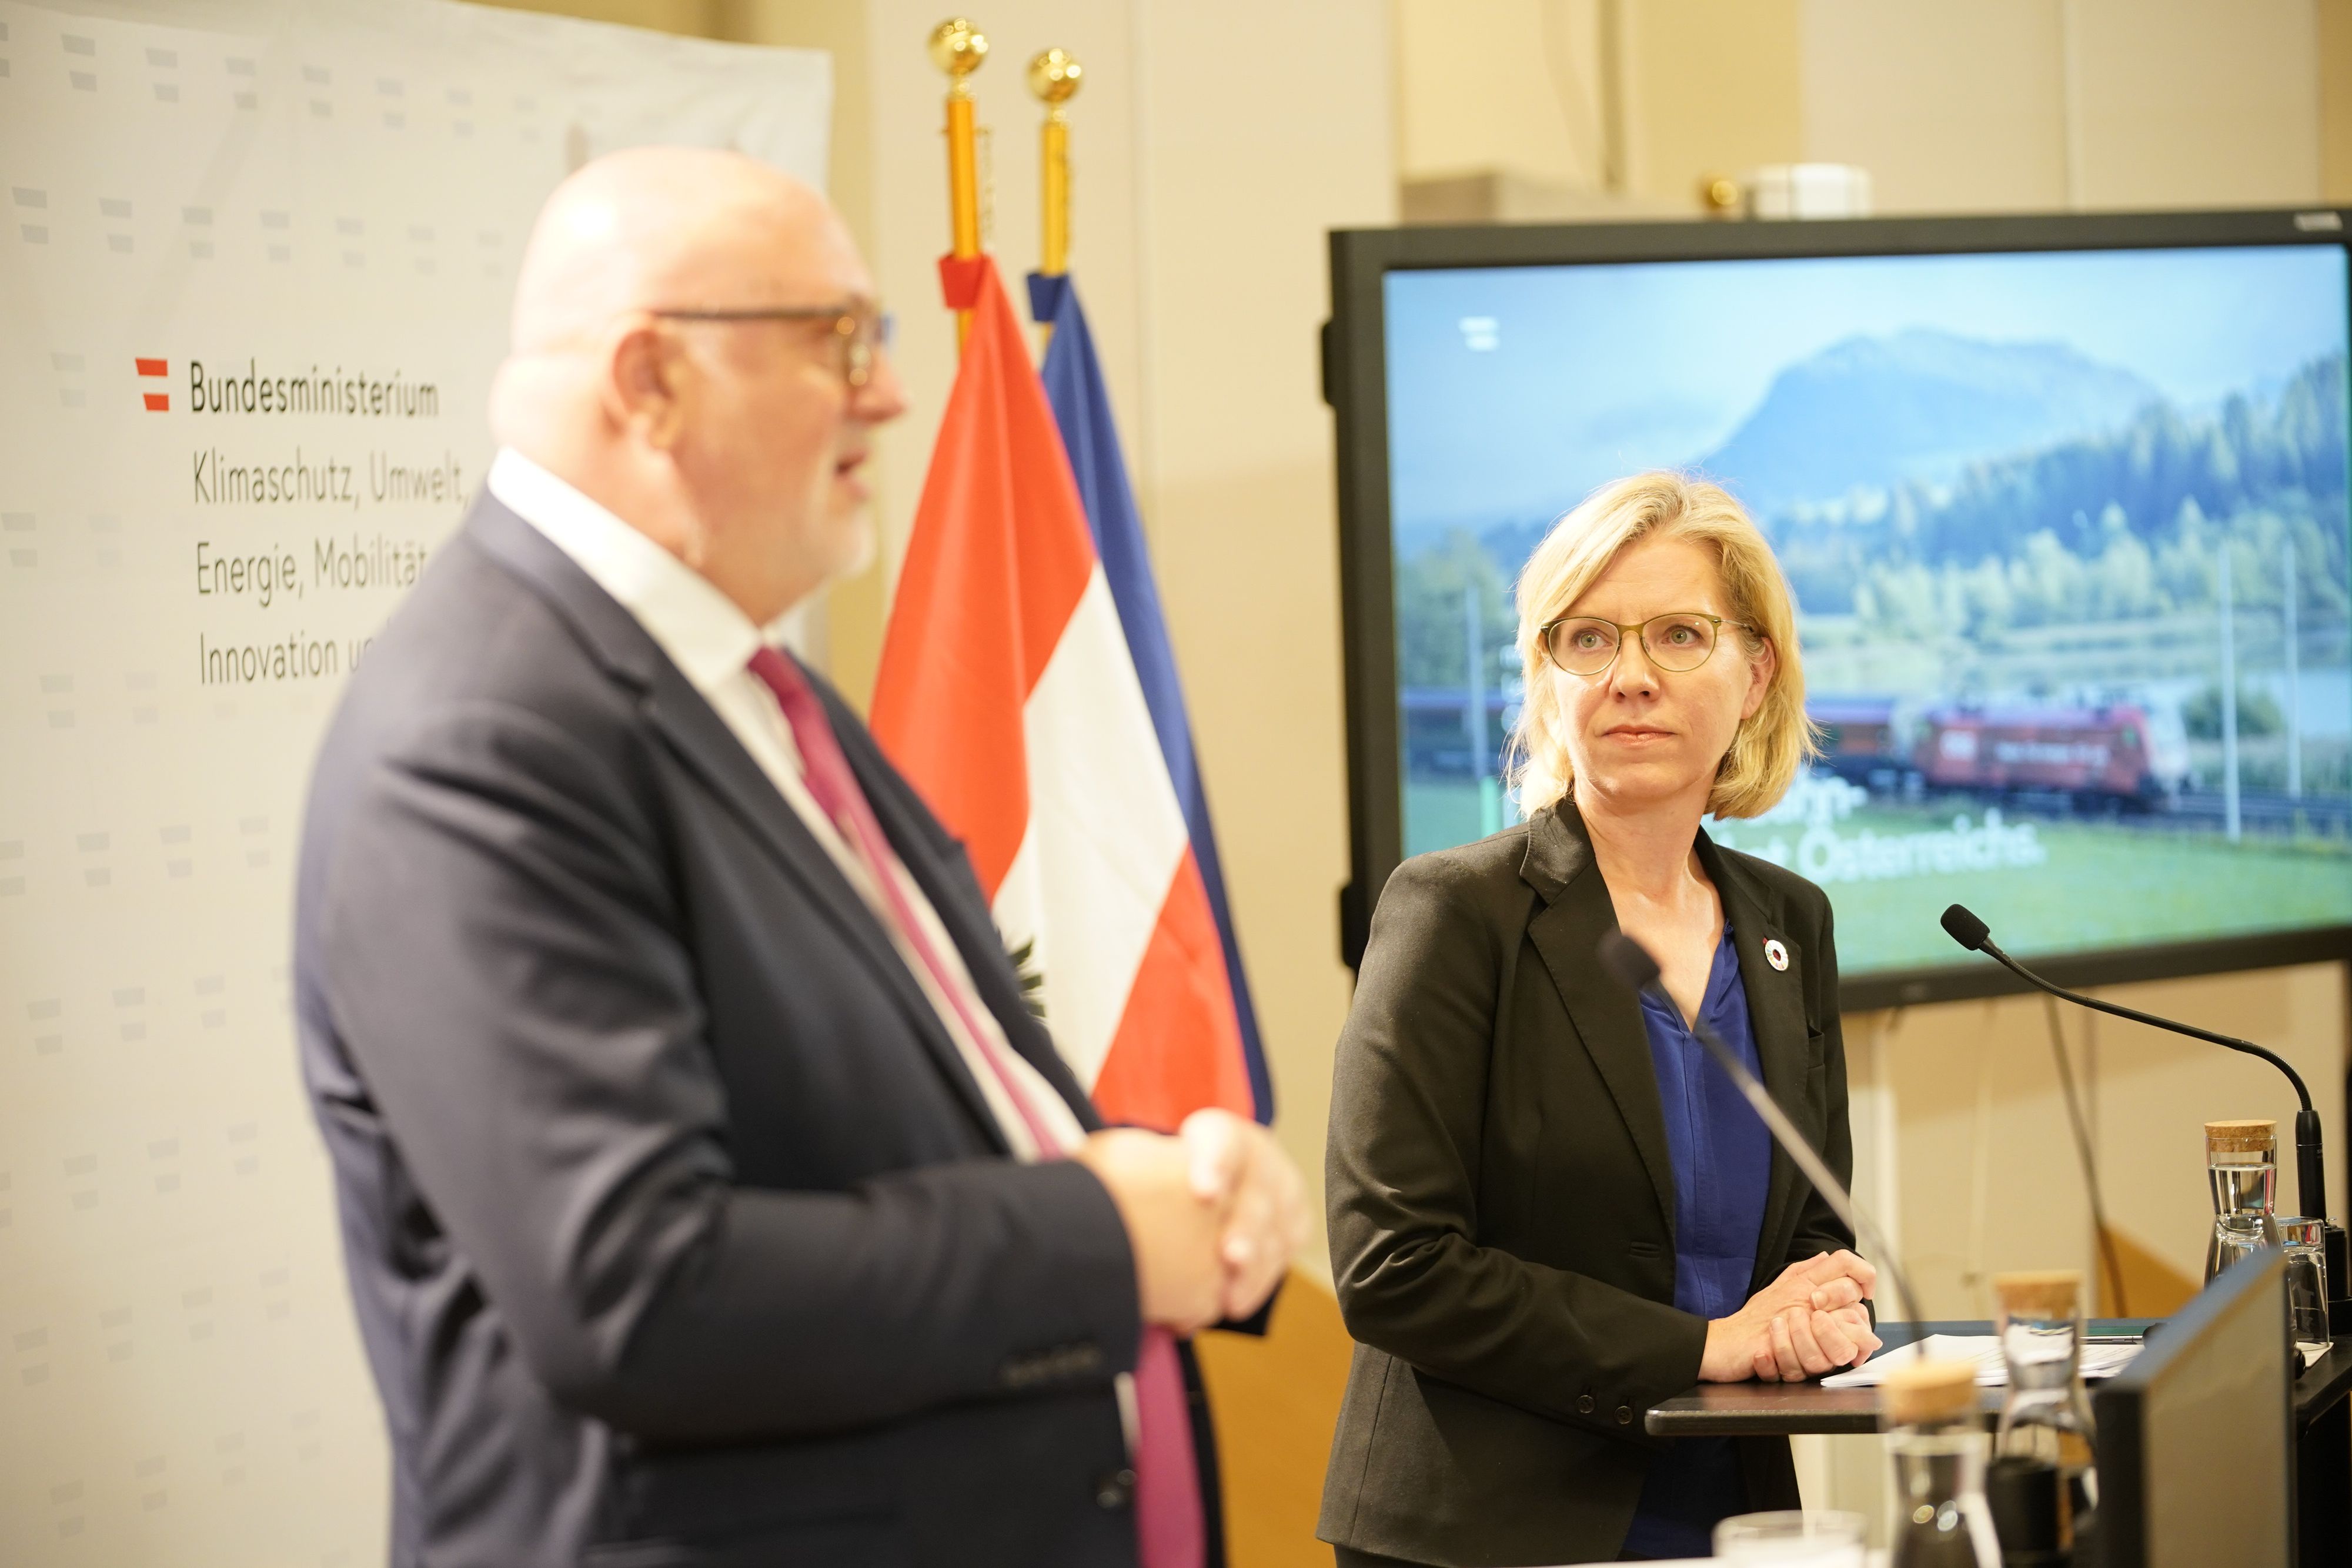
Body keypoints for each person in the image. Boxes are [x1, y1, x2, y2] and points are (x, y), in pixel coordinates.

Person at [293, 148, 1305, 1568]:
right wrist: (1097, 1232)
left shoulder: (751, 684)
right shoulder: (485, 734)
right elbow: (637, 1287)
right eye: (837, 339)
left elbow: (936, 1092)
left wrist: (1169, 1175)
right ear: (648, 382)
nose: (888, 390)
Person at [1317, 473, 1882, 1566]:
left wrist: (1822, 1305)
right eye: (1589, 640)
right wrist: (1709, 1344)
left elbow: (1813, 1230)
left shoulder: (1787, 922)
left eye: (1680, 635)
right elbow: (1395, 1265)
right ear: (1548, 676)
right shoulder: (1454, 912)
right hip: (1486, 1528)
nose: (1631, 678)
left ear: (1756, 670)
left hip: (1733, 1506)